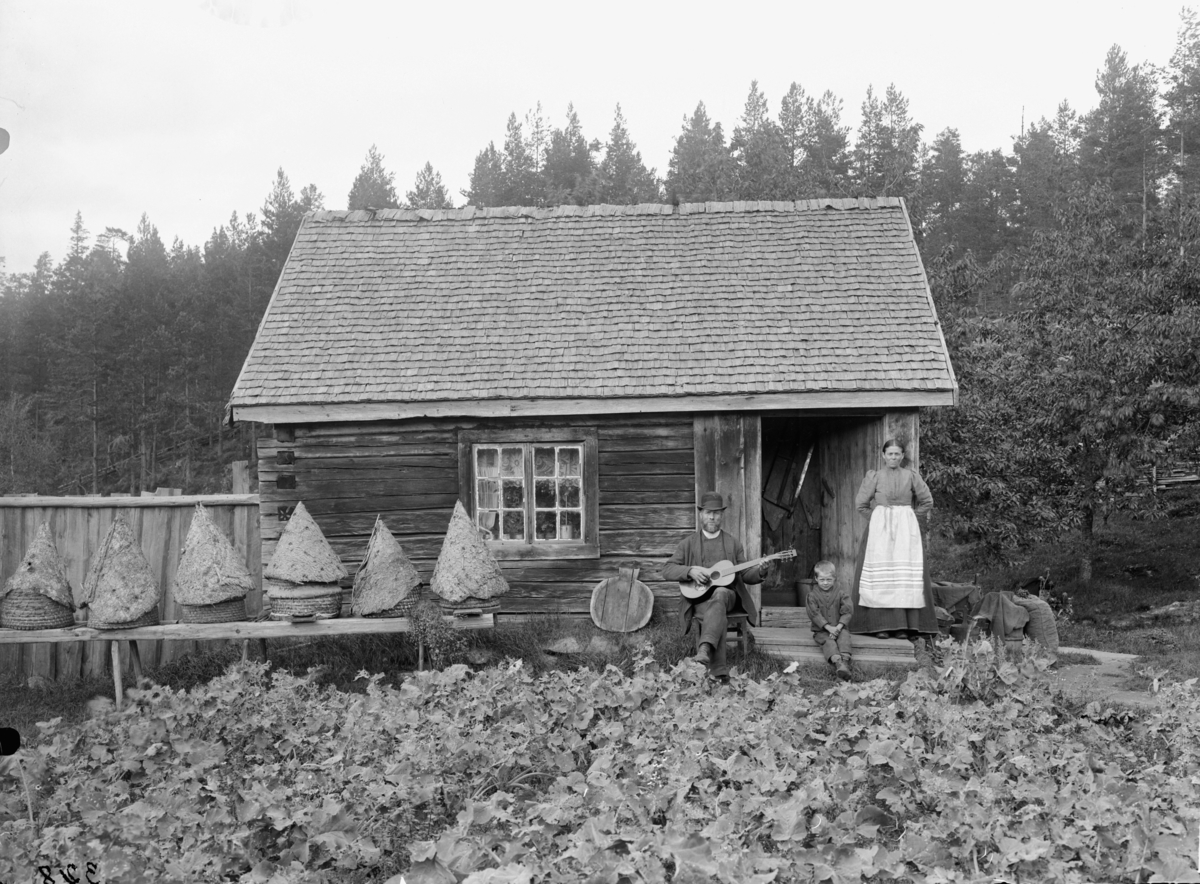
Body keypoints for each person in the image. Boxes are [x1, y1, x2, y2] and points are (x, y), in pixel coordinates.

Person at [662, 491, 769, 679]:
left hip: (729, 597)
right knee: (716, 612)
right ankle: (719, 673)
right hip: (700, 600)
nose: (712, 517)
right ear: (701, 514)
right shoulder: (688, 543)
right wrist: (690, 571)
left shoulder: (732, 543)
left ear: (722, 515)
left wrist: (760, 571)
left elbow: (745, 574)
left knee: (720, 593)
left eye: (717, 513)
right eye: (708, 512)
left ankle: (704, 649)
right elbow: (667, 569)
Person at [847, 439, 939, 656]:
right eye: (890, 454)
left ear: (903, 455)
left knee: (904, 575)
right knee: (880, 576)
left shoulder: (911, 475)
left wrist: (909, 517)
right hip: (880, 531)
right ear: (883, 455)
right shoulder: (875, 476)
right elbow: (861, 504)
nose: (894, 458)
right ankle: (880, 627)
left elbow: (927, 501)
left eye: (898, 454)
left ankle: (904, 627)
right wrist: (879, 517)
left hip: (906, 532)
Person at [807, 560, 853, 681]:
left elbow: (847, 611)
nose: (826, 583)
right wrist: (829, 628)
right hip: (822, 631)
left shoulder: (841, 593)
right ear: (816, 578)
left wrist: (838, 628)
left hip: (839, 628)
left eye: (829, 579)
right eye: (822, 580)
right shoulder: (812, 596)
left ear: (834, 578)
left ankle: (845, 664)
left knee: (844, 637)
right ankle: (838, 663)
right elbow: (814, 614)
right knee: (829, 642)